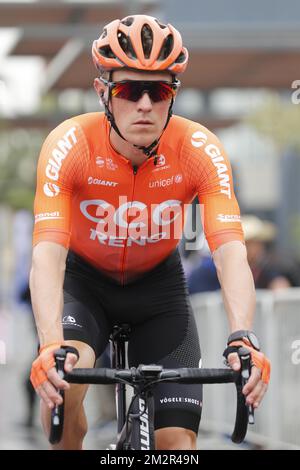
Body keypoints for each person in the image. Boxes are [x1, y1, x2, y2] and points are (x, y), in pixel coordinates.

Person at [29, 15, 270, 450]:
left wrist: (244, 335)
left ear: (172, 96)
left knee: (176, 445)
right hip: (86, 288)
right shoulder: (70, 144)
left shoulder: (199, 149)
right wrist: (50, 347)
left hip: (159, 295)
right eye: (129, 90)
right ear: (104, 93)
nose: (144, 104)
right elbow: (47, 252)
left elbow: (230, 251)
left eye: (157, 91)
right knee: (63, 397)